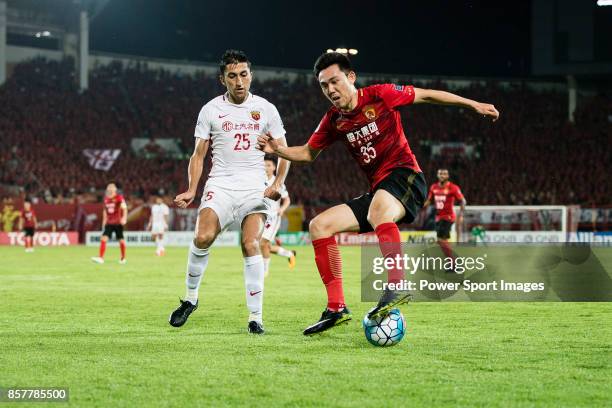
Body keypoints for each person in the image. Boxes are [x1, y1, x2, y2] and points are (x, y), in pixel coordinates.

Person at [257, 52, 499, 335]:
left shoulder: (381, 95)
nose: (330, 90)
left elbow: (428, 95)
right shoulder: (334, 119)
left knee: (378, 209)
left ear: (351, 77)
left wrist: (473, 104)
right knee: (320, 226)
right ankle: (336, 308)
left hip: (406, 176)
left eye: (335, 81)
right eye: (324, 86)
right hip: (380, 190)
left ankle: (397, 284)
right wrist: (278, 149)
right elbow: (308, 153)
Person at [169, 50, 289, 335]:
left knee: (251, 244)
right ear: (222, 79)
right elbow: (199, 155)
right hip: (220, 184)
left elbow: (284, 152)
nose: (239, 81)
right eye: (232, 76)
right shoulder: (210, 110)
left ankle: (255, 317)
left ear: (251, 75)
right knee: (202, 237)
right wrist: (191, 189)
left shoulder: (266, 108)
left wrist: (275, 185)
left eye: (244, 74)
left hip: (253, 188)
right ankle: (190, 299)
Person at [423, 168, 466, 270]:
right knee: (442, 241)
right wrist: (420, 205)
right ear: (437, 175)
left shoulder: (453, 188)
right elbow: (429, 201)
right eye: (440, 173)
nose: (442, 175)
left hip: (448, 217)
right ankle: (452, 264)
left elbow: (462, 201)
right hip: (438, 217)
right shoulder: (433, 187)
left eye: (444, 174)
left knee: (441, 240)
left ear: (447, 176)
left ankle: (453, 263)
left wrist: (461, 215)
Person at [261, 156, 296, 277]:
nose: (266, 167)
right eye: (264, 164)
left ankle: (264, 271)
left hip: (273, 217)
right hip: (261, 216)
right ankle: (289, 254)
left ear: (274, 167)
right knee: (264, 245)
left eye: (268, 165)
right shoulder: (259, 180)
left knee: (262, 243)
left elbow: (287, 200)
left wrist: (282, 209)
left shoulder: (278, 182)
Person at [91, 183, 128, 264]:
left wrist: (124, 218)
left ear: (115, 190)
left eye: (111, 189)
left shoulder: (119, 198)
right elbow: (105, 212)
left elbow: (125, 208)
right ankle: (101, 258)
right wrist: (103, 224)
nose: (110, 190)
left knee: (121, 240)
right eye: (108, 189)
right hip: (109, 223)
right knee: (104, 238)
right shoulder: (106, 200)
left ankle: (123, 258)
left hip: (118, 223)